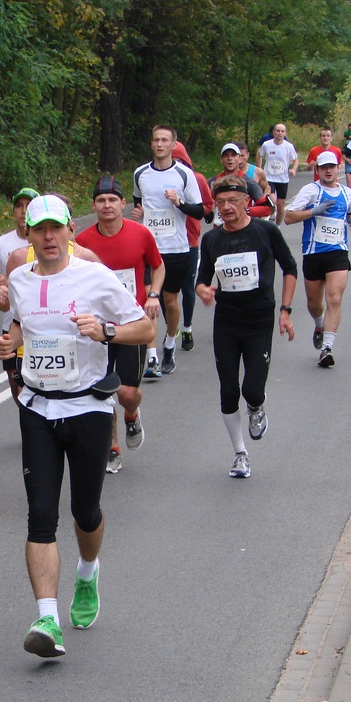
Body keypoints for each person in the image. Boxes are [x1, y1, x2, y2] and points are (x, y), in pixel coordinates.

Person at [0, 193, 153, 658]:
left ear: (68, 230)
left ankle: (88, 570)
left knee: (86, 512)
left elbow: (144, 330)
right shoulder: (20, 279)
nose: (47, 237)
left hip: (88, 408)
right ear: (30, 233)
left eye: (55, 228)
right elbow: (23, 324)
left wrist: (104, 332)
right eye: (39, 229)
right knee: (40, 515)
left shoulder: (96, 278)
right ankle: (48, 618)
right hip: (38, 407)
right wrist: (9, 344)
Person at [196, 175, 298, 479]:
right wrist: (203, 290)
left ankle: (256, 407)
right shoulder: (212, 239)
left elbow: (290, 268)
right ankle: (240, 453)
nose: (226, 207)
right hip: (226, 322)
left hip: (259, 320)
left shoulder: (265, 231)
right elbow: (202, 279)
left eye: (233, 201)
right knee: (228, 390)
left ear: (247, 202)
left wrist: (286, 311)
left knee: (252, 389)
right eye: (221, 202)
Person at [76, 175, 165, 474]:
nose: (107, 205)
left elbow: (158, 265)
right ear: (93, 205)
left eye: (113, 199)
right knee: (101, 391)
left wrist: (153, 294)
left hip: (130, 325)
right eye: (101, 200)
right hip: (96, 329)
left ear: (123, 203)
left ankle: (131, 413)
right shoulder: (83, 242)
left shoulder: (140, 234)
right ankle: (112, 447)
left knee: (126, 392)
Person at [130, 124, 206, 378]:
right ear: (151, 144)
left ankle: (170, 344)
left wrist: (179, 202)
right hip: (147, 248)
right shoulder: (140, 173)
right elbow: (139, 202)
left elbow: (200, 211)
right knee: (148, 302)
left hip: (176, 248)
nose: (160, 144)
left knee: (171, 302)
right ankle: (152, 358)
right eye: (156, 140)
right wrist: (138, 213)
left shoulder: (184, 175)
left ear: (174, 145)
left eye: (165, 140)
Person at [284, 151, 351, 368]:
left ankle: (327, 348)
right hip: (314, 253)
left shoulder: (347, 192)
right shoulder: (311, 191)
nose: (328, 170)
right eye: (324, 167)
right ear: (318, 169)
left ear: (338, 168)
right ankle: (319, 324)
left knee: (334, 298)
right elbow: (288, 217)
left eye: (332, 167)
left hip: (337, 252)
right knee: (314, 303)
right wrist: (313, 211)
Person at [0, 187, 38, 404]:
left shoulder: (47, 240)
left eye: (29, 206)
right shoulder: (0, 244)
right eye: (18, 206)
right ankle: (30, 425)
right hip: (12, 323)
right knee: (16, 384)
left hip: (42, 322)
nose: (23, 211)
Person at [172, 141, 215, 353]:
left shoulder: (195, 178)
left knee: (187, 288)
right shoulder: (156, 179)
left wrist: (205, 213)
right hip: (164, 242)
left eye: (179, 160)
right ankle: (172, 327)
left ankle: (187, 327)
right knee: (164, 292)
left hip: (189, 239)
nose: (174, 164)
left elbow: (208, 205)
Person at [255, 123, 299, 225]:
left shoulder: (288, 146)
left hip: (283, 179)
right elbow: (259, 154)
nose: (279, 133)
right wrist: (259, 169)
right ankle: (271, 213)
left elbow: (295, 160)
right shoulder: (267, 144)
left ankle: (278, 226)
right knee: (272, 200)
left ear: (285, 133)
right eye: (277, 131)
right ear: (273, 132)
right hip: (269, 178)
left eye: (282, 131)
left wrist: (293, 169)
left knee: (280, 206)